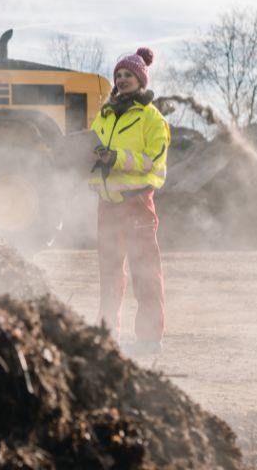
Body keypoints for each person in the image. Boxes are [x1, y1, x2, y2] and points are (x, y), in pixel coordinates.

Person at [89, 47, 170, 356]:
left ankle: (149, 340)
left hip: (137, 204)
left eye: (128, 75)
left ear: (140, 79)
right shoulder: (105, 115)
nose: (122, 79)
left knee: (145, 273)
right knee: (108, 276)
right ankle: (107, 335)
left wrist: (117, 158)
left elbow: (155, 161)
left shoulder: (152, 118)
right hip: (107, 205)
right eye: (118, 75)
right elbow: (93, 150)